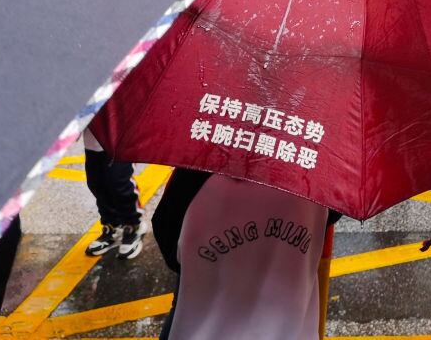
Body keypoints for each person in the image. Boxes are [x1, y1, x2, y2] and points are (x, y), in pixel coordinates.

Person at [153, 170, 338, 339]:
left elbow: (166, 230)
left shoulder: (199, 168)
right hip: (289, 321)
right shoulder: (320, 171)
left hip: (204, 318)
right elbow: (334, 213)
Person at [83, 131, 145, 259]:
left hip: (118, 135)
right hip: (92, 139)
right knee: (96, 183)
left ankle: (133, 225)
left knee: (119, 181)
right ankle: (112, 226)